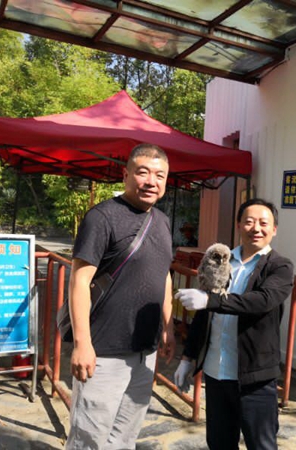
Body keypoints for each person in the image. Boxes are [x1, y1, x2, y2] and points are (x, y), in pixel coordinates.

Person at [66, 143, 176, 450]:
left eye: (159, 175)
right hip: (103, 351)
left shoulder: (162, 221)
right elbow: (79, 280)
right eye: (143, 173)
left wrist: (168, 326)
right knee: (89, 438)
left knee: (126, 436)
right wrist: (82, 344)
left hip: (145, 351)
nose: (151, 181)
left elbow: (164, 275)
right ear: (126, 175)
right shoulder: (102, 217)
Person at [174, 198, 294, 450]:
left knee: (261, 445)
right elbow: (203, 315)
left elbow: (261, 301)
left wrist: (211, 300)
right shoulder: (219, 260)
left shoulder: (280, 266)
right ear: (239, 225)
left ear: (274, 229)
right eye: (249, 222)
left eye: (263, 223)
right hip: (216, 374)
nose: (256, 228)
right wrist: (187, 358)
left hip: (255, 379)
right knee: (219, 444)